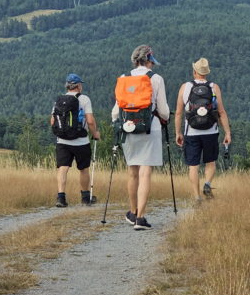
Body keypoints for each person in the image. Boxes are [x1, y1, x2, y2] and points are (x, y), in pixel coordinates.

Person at [112, 45, 170, 230]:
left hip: (128, 128)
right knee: (145, 172)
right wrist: (165, 118)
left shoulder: (123, 78)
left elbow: (115, 111)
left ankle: (133, 211)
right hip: (149, 127)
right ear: (149, 60)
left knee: (132, 171)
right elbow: (163, 111)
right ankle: (141, 218)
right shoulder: (155, 79)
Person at [174, 57, 231, 202]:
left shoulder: (185, 87)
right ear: (206, 73)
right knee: (210, 162)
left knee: (193, 165)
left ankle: (196, 196)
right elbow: (221, 112)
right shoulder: (213, 87)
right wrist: (227, 132)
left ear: (194, 72)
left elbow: (179, 113)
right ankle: (207, 184)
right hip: (211, 131)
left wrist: (178, 132)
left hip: (191, 132)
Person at [51, 73, 101, 207]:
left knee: (62, 168)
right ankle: (85, 199)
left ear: (67, 86)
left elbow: (52, 121)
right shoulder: (84, 99)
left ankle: (61, 198)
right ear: (78, 86)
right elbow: (90, 120)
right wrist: (95, 133)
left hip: (62, 141)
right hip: (81, 141)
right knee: (83, 169)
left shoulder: (59, 100)